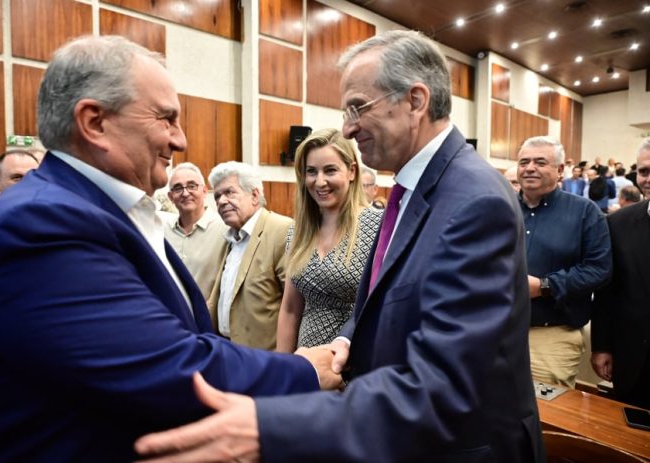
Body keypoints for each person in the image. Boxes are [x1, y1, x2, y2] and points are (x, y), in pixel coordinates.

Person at [135, 29, 545, 463]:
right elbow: (378, 302)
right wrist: (345, 342)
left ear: (415, 101)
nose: (348, 126)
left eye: (357, 107)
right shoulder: (412, 192)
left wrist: (275, 424)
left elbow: (448, 381)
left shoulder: (474, 201)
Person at [0, 35, 341, 462]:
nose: (180, 139)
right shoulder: (41, 223)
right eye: (166, 118)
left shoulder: (98, 211)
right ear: (94, 122)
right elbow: (167, 367)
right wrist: (303, 371)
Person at [517, 136, 611, 388]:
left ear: (560, 170)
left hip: (551, 336)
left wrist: (545, 286)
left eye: (540, 162)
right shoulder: (500, 208)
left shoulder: (585, 212)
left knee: (542, 410)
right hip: (494, 330)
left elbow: (598, 270)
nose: (530, 168)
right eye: (524, 162)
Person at [276, 128, 381, 352]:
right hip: (306, 362)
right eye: (311, 172)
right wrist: (284, 365)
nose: (320, 181)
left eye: (330, 170)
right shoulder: (298, 231)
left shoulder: (377, 226)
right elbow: (291, 309)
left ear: (351, 171)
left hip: (355, 360)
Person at [591, 138, 650, 409]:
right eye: (644, 171)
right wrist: (601, 346)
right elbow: (607, 291)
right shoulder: (617, 224)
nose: (648, 178)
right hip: (633, 361)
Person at [207, 161, 292, 350]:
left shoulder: (282, 230)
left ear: (254, 195)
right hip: (228, 351)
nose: (221, 201)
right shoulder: (229, 238)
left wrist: (284, 359)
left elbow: (296, 306)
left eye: (229, 192)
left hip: (267, 357)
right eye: (217, 196)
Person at [163, 162, 228, 299]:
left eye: (192, 186)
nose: (185, 193)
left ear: (204, 191)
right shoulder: (162, 231)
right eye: (178, 188)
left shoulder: (225, 230)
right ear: (170, 197)